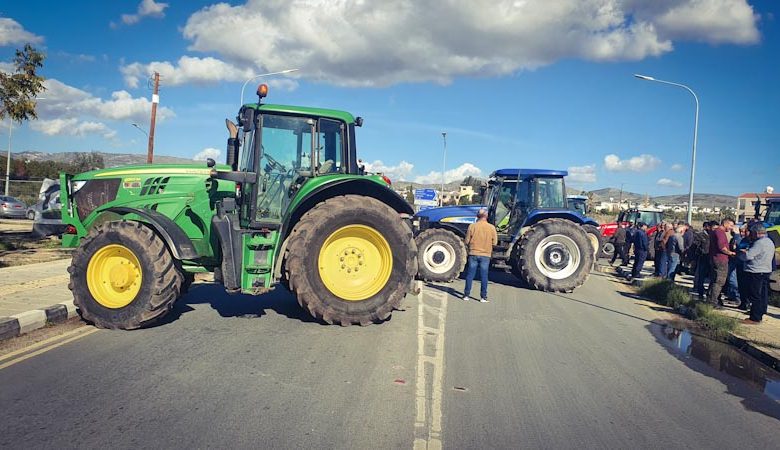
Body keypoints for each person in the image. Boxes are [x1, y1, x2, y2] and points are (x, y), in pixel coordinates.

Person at [739, 224, 775, 324]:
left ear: (756, 233)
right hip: (765, 270)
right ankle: (759, 312)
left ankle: (755, 318)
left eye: (752, 233)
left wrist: (742, 254)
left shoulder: (759, 243)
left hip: (756, 271)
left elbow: (749, 256)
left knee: (755, 294)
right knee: (762, 294)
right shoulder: (769, 241)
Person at [463, 208, 497, 302]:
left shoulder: (472, 226)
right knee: (484, 276)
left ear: (477, 216)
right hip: (486, 255)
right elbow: (495, 242)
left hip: (473, 253)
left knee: (470, 275)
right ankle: (483, 297)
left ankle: (466, 295)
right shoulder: (491, 228)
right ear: (487, 216)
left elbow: (466, 241)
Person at [708, 218, 736, 308]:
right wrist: (731, 253)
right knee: (719, 281)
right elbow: (722, 247)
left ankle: (711, 299)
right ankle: (713, 301)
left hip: (715, 258)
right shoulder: (720, 233)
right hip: (721, 260)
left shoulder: (715, 232)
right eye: (731, 225)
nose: (731, 228)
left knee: (714, 280)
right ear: (725, 224)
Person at [692, 222, 712, 298]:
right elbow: (695, 246)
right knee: (701, 275)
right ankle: (700, 292)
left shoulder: (712, 235)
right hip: (702, 257)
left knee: (712, 277)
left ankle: (709, 293)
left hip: (711, 258)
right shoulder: (699, 235)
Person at [735, 225, 751, 310]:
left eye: (745, 231)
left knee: (747, 285)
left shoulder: (752, 241)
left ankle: (747, 302)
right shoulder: (743, 240)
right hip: (739, 263)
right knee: (741, 285)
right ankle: (743, 302)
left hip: (747, 265)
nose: (743, 233)